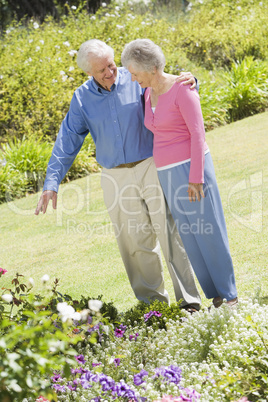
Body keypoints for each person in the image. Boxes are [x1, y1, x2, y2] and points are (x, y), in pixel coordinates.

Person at [35, 39, 201, 311]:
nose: (110, 72)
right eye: (102, 70)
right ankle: (154, 310)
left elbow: (169, 87)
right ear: (89, 72)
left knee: (170, 233)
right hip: (115, 177)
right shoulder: (81, 98)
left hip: (151, 165)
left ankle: (189, 303)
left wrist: (190, 80)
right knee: (134, 244)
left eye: (111, 65)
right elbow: (67, 141)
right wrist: (51, 183)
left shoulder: (136, 78)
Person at [121, 39, 238, 308]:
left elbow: (198, 134)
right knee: (190, 235)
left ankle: (230, 295)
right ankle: (216, 295)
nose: (132, 78)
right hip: (167, 173)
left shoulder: (183, 89)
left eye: (135, 73)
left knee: (209, 231)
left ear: (151, 68)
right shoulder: (148, 91)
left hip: (191, 170)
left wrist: (196, 177)